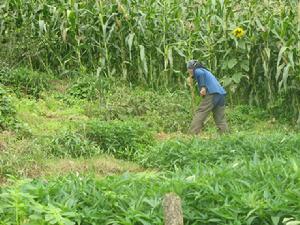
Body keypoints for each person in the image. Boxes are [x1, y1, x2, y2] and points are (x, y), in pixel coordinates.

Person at [187, 59, 229, 135]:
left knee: (201, 112)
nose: (189, 71)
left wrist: (202, 87)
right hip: (221, 95)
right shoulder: (207, 71)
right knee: (220, 119)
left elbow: (200, 73)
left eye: (189, 69)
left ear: (192, 68)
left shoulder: (198, 70)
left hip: (212, 93)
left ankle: (191, 135)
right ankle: (226, 135)